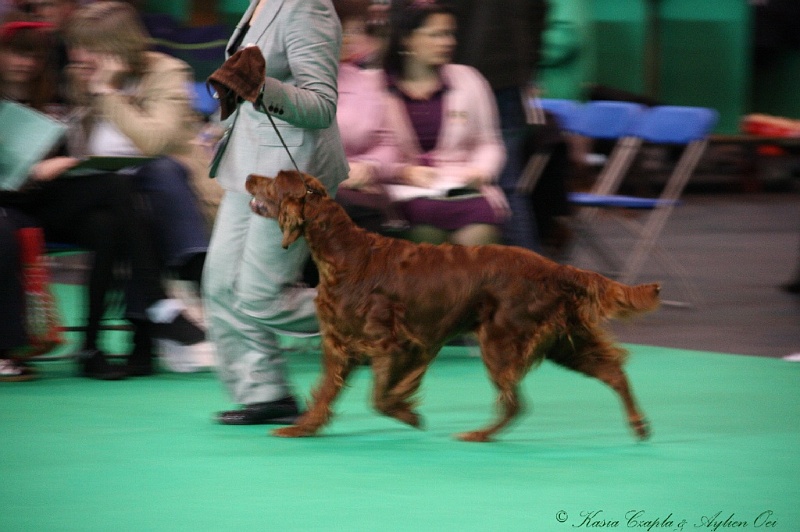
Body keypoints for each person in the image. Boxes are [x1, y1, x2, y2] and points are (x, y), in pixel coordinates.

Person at [0, 13, 203, 379]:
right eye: (16, 54)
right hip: (12, 198)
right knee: (118, 188)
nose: (25, 62)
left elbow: (96, 142)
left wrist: (65, 160)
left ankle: (91, 348)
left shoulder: (59, 85)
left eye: (33, 55)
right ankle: (157, 303)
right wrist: (31, 169)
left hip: (56, 194)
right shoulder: (73, 81)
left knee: (108, 221)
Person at [203, 0, 348, 425]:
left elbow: (322, 106)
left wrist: (259, 88)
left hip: (293, 175)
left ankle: (382, 314)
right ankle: (265, 392)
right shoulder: (261, 3)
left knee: (264, 296)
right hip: (248, 165)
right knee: (219, 285)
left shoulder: (309, 8)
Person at [63, 1, 211, 370]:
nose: (80, 55)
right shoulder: (77, 78)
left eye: (89, 46)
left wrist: (107, 94)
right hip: (108, 196)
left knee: (155, 174)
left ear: (118, 47)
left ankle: (193, 269)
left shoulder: (167, 72)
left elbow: (155, 142)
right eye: (77, 45)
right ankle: (162, 309)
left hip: (174, 195)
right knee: (122, 198)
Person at [380, 0, 507, 246]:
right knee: (427, 241)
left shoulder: (470, 79)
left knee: (481, 242)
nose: (448, 42)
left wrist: (481, 172)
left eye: (450, 34)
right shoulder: (377, 86)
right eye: (436, 35)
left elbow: (489, 142)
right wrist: (402, 172)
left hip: (461, 189)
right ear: (407, 39)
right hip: (404, 192)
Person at [451, 0, 548, 251]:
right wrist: (527, 67)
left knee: (451, 176)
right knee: (509, 186)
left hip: (458, 75)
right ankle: (532, 278)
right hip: (508, 76)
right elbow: (538, 11)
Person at [332, 0, 400, 235]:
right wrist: (339, 173)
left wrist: (369, 167)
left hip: (363, 191)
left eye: (355, 30)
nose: (350, 38)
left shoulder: (365, 82)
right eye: (342, 30)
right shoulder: (293, 84)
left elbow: (389, 144)